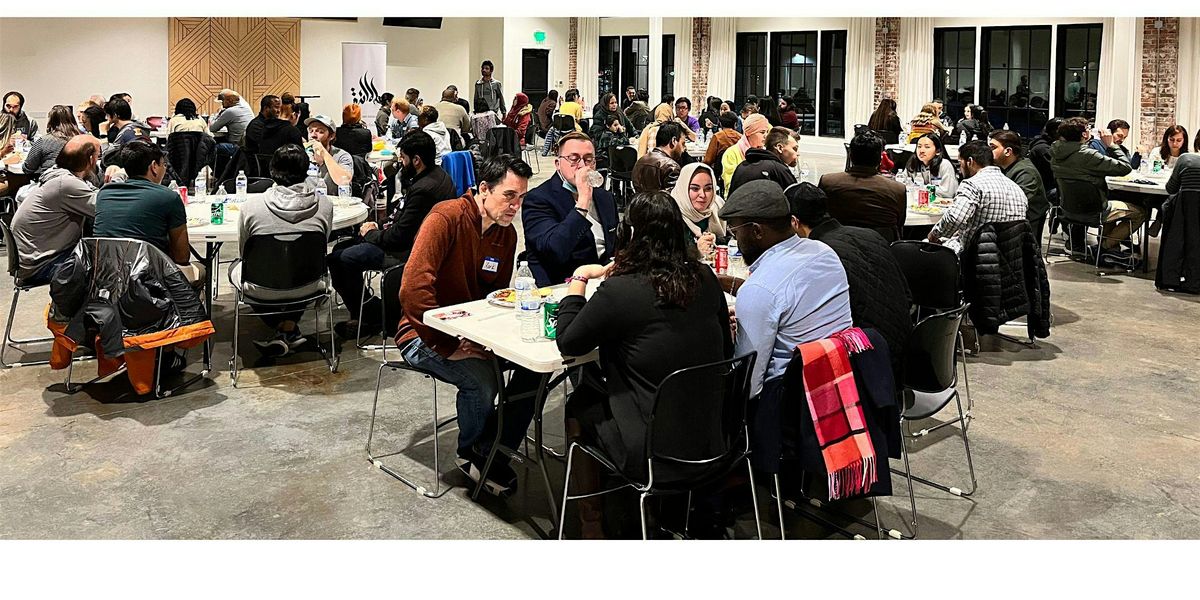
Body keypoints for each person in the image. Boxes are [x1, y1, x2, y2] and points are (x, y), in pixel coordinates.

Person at [555, 191, 733, 538]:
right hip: (713, 440)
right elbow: (725, 348)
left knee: (579, 403)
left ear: (630, 234)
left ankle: (591, 523)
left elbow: (569, 342)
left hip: (652, 451)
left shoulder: (620, 291)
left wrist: (578, 279)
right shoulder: (704, 277)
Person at [396, 154, 537, 495]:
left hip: (472, 333)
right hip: (421, 334)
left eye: (521, 198)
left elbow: (494, 297)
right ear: (484, 188)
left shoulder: (505, 235)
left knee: (533, 371)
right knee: (482, 383)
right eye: (509, 196)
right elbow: (412, 290)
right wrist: (447, 345)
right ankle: (471, 453)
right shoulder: (446, 217)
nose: (515, 206)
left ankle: (492, 449)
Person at [719, 179, 853, 399]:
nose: (738, 242)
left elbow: (748, 386)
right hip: (838, 380)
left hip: (788, 402)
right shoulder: (825, 253)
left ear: (756, 231)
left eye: (735, 232)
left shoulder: (759, 289)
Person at [328, 130, 456, 338]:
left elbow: (398, 237)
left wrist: (371, 233)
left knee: (339, 259)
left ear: (416, 160)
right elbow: (402, 218)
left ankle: (370, 317)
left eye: (403, 158)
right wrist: (378, 226)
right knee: (341, 248)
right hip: (412, 241)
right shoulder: (439, 176)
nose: (400, 163)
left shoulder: (423, 189)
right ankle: (370, 308)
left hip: (408, 252)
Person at [785, 182, 912, 378]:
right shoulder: (871, 235)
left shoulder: (818, 256)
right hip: (907, 351)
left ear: (794, 222)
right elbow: (907, 295)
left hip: (868, 365)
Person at [233, 144, 334, 357]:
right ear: (306, 169)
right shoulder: (324, 205)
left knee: (237, 267)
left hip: (261, 286)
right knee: (297, 265)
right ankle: (289, 328)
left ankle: (283, 328)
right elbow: (320, 248)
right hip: (310, 283)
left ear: (272, 169)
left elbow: (244, 253)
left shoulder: (251, 207)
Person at [92, 141, 203, 284]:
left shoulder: (104, 194)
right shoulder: (168, 197)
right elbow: (181, 257)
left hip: (107, 277)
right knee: (200, 270)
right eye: (163, 165)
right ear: (154, 166)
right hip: (150, 280)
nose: (164, 169)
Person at [522, 132, 619, 285]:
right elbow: (554, 249)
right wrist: (583, 202)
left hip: (604, 282)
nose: (582, 166)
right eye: (574, 159)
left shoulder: (605, 197)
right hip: (562, 284)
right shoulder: (538, 199)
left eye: (589, 160)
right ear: (558, 164)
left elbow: (615, 245)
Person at [1049, 117, 1142, 263]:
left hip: (1067, 209)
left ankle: (1109, 251)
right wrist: (1111, 145)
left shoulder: (1055, 152)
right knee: (1141, 213)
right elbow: (1125, 167)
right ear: (1084, 134)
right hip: (1093, 211)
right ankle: (1102, 248)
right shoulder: (1087, 154)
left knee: (1113, 206)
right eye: (1088, 128)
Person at [11, 135, 102, 285]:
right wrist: (118, 178)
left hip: (31, 258)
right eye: (99, 155)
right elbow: (104, 209)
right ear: (91, 159)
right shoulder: (65, 184)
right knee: (103, 262)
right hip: (40, 265)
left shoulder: (57, 173)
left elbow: (91, 191)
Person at [928, 140, 1030, 253]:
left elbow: (955, 218)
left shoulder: (972, 184)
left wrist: (935, 234)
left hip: (975, 256)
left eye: (960, 163)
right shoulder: (1017, 189)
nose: (960, 170)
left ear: (970, 162)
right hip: (1010, 257)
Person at [818, 131, 907, 241]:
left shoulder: (828, 182)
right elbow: (900, 224)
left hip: (836, 243)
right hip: (881, 246)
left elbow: (819, 218)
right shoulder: (897, 189)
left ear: (851, 156)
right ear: (880, 159)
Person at [989, 130, 1050, 248]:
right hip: (1010, 223)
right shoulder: (1004, 168)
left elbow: (1016, 204)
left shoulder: (1026, 172)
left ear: (1008, 151)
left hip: (1024, 228)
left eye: (993, 147)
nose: (988, 151)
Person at [670, 162, 727, 257]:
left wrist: (716, 239)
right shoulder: (670, 212)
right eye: (695, 189)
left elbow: (733, 239)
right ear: (683, 189)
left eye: (708, 189)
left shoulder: (718, 206)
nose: (702, 195)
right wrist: (695, 251)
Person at [729, 126, 799, 194]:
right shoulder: (780, 170)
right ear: (780, 148)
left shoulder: (742, 165)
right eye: (795, 149)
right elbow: (795, 198)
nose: (798, 154)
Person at [22, 105, 79, 179]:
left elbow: (28, 168)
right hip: (76, 182)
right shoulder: (82, 140)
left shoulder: (44, 140)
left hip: (50, 181)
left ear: (51, 121)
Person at [304, 115, 354, 195]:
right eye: (310, 131)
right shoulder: (304, 155)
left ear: (331, 136)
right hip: (309, 201)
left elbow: (343, 180)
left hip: (335, 201)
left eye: (320, 131)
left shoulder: (342, 156)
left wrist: (323, 153)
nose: (313, 135)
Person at [632, 121, 685, 194]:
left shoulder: (640, 161)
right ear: (674, 141)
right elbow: (672, 198)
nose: (683, 149)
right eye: (683, 144)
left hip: (639, 201)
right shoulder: (671, 166)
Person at [244, 95, 304, 159]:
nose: (279, 111)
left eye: (280, 108)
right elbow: (266, 147)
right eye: (276, 107)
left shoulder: (272, 124)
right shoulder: (256, 125)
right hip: (259, 162)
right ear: (266, 108)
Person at [721, 114, 770, 192]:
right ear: (748, 133)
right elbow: (731, 183)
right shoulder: (731, 153)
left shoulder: (766, 153)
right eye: (762, 132)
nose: (766, 136)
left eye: (767, 132)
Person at [904, 132, 959, 199]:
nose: (921, 151)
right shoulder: (913, 163)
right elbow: (902, 184)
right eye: (919, 146)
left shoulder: (944, 165)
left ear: (938, 151)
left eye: (927, 147)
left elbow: (948, 193)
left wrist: (921, 188)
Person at [1029, 117, 1062, 199]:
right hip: (1044, 189)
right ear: (1055, 132)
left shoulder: (1049, 145)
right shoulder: (1043, 149)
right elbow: (1058, 171)